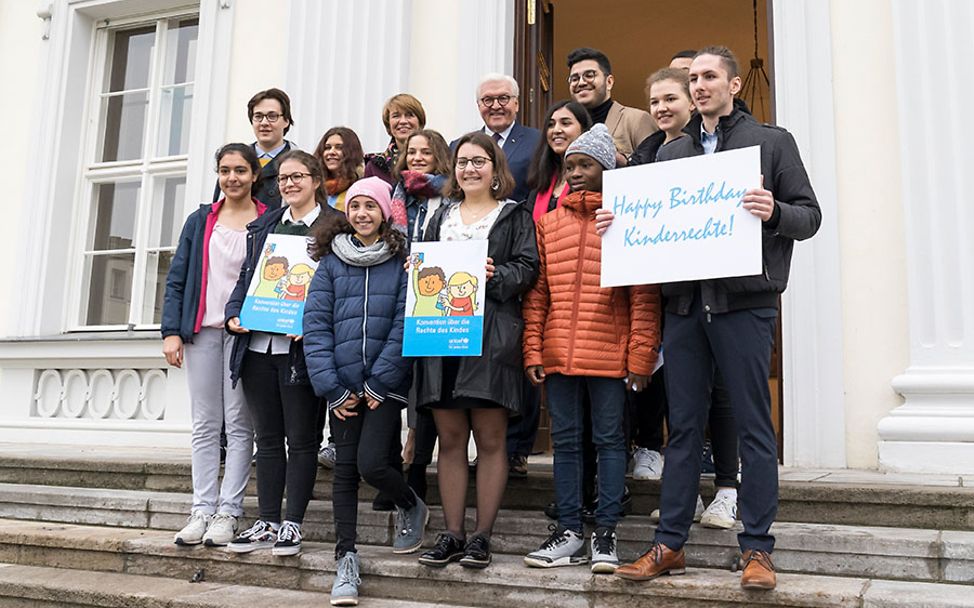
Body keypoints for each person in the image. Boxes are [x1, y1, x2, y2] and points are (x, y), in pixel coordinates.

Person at [611, 46, 821, 591]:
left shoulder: (771, 142)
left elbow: (809, 216)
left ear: (731, 86)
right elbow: (648, 220)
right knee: (681, 428)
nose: (698, 85)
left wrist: (774, 211)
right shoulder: (664, 151)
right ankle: (670, 544)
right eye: (692, 78)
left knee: (753, 425)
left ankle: (757, 550)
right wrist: (622, 222)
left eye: (709, 77)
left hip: (744, 304)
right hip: (683, 305)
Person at [521, 124, 661, 574]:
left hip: (610, 357)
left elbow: (644, 294)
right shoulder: (548, 223)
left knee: (609, 442)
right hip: (559, 354)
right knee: (565, 444)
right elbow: (538, 294)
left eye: (586, 165)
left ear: (607, 169)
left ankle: (606, 533)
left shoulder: (626, 218)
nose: (577, 172)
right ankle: (568, 531)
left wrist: (641, 357)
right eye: (571, 166)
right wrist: (533, 350)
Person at [303, 177, 429, 606]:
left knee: (374, 465)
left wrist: (381, 379)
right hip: (342, 388)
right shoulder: (330, 263)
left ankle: (409, 501)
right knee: (344, 471)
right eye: (354, 206)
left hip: (384, 386)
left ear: (384, 214)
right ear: (346, 213)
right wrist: (332, 387)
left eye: (370, 207)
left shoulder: (402, 260)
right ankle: (346, 558)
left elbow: (404, 322)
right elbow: (316, 326)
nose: (361, 214)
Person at [416, 132, 539, 570]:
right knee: (449, 440)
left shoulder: (513, 215)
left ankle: (481, 537)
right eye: (462, 161)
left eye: (479, 161)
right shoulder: (439, 216)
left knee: (490, 439)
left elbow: (527, 268)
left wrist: (495, 274)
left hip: (489, 337)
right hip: (438, 335)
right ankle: (452, 534)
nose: (470, 168)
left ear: (495, 168)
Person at [631, 68, 742, 530]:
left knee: (722, 395)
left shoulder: (728, 146)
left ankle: (728, 491)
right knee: (682, 397)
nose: (661, 108)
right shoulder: (652, 157)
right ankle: (687, 493)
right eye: (654, 101)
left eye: (670, 98)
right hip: (674, 295)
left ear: (692, 102)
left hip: (724, 294)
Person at [224, 150, 339, 557]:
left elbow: (339, 290)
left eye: (298, 177)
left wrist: (313, 325)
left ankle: (293, 524)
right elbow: (246, 276)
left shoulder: (333, 227)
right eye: (284, 178)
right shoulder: (266, 224)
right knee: (268, 439)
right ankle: (267, 519)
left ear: (316, 180)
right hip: (257, 344)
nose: (289, 184)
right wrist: (233, 312)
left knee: (302, 439)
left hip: (302, 351)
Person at [163, 144, 266, 547]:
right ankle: (201, 509)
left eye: (241, 170)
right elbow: (177, 277)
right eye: (225, 170)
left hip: (245, 336)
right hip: (203, 333)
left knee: (240, 425)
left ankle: (229, 512)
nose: (233, 178)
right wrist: (171, 330)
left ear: (254, 175)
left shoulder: (266, 221)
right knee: (206, 424)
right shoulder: (200, 220)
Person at [506, 99, 592, 480]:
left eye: (567, 123)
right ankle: (519, 448)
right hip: (540, 290)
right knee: (532, 370)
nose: (557, 129)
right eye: (552, 123)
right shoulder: (539, 184)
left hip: (582, 295)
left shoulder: (598, 181)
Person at [391, 128, 453, 501]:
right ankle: (396, 464)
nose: (416, 157)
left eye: (424, 152)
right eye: (411, 151)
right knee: (398, 381)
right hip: (397, 296)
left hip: (434, 299)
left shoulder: (450, 196)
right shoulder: (397, 196)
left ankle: (416, 467)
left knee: (427, 387)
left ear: (439, 157)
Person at [454, 74, 541, 204]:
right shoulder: (458, 147)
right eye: (487, 100)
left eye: (503, 98)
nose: (495, 106)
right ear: (479, 106)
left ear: (516, 104)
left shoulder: (538, 141)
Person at [566, 48, 655, 163]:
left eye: (589, 75)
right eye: (575, 78)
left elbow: (652, 170)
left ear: (609, 82)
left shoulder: (637, 119)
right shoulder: (568, 129)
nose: (581, 83)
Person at [213, 88, 296, 209]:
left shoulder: (299, 164)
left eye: (272, 116)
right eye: (258, 116)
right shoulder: (234, 161)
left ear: (286, 121)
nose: (264, 123)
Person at [364, 94, 427, 185]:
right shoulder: (375, 166)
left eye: (409, 115)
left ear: (420, 122)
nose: (403, 121)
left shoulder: (434, 161)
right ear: (388, 123)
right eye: (396, 116)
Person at [314, 126, 364, 212]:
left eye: (339, 147)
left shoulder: (361, 187)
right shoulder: (313, 185)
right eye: (327, 147)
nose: (331, 152)